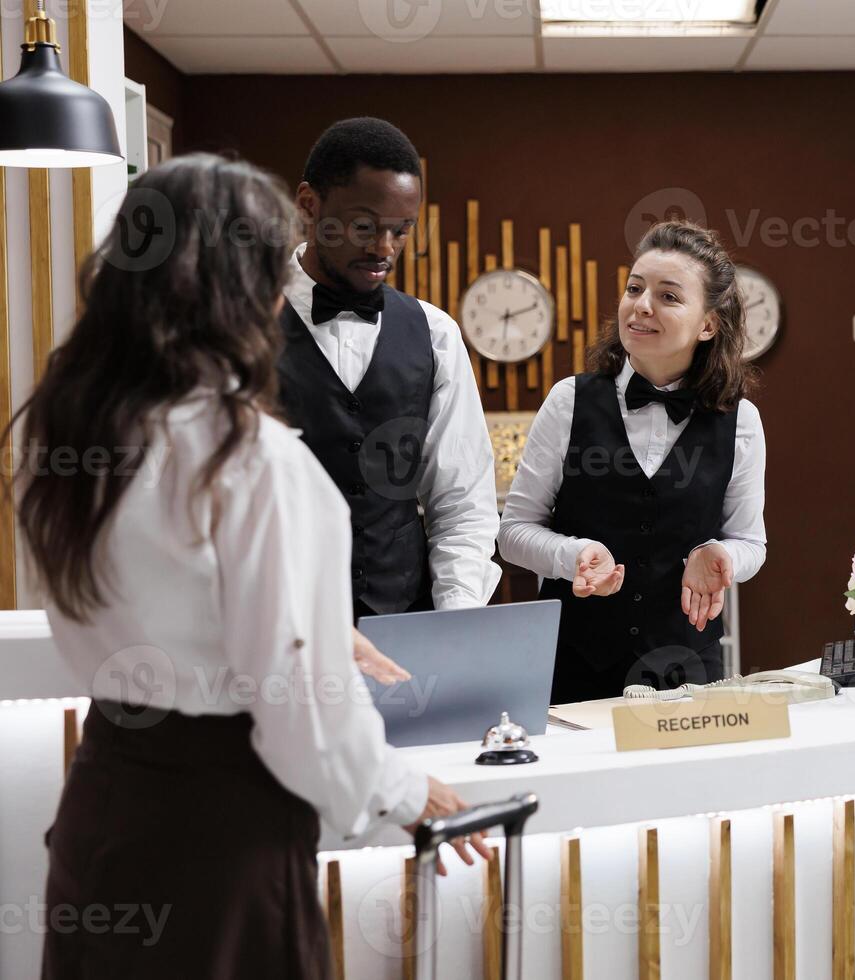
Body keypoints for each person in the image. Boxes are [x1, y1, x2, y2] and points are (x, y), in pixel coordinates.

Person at [11, 155, 490, 978]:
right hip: (218, 835)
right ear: (241, 286)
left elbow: (163, 599)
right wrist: (405, 794)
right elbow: (294, 708)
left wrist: (318, 628)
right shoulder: (253, 459)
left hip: (106, 806)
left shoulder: (71, 435)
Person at [499, 221, 767, 703]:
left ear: (708, 324)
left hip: (687, 669)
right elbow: (514, 531)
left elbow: (751, 541)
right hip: (572, 662)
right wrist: (574, 555)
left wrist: (722, 556)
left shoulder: (740, 420)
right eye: (634, 288)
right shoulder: (568, 401)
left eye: (668, 296)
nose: (641, 305)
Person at [281, 117, 500, 622]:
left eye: (401, 230)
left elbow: (462, 502)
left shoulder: (436, 334)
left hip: (403, 627)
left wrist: (456, 622)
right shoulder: (238, 329)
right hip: (277, 633)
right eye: (365, 226)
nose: (384, 248)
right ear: (310, 204)